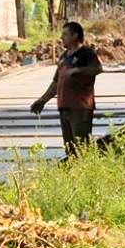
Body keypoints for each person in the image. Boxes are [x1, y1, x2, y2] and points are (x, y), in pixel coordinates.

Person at [30, 20, 102, 156]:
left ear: (75, 36)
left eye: (65, 34)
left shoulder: (86, 53)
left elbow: (97, 68)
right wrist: (42, 100)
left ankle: (87, 172)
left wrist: (77, 70)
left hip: (80, 108)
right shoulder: (64, 57)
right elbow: (56, 82)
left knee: (82, 146)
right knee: (70, 149)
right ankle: (74, 174)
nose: (62, 38)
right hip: (64, 106)